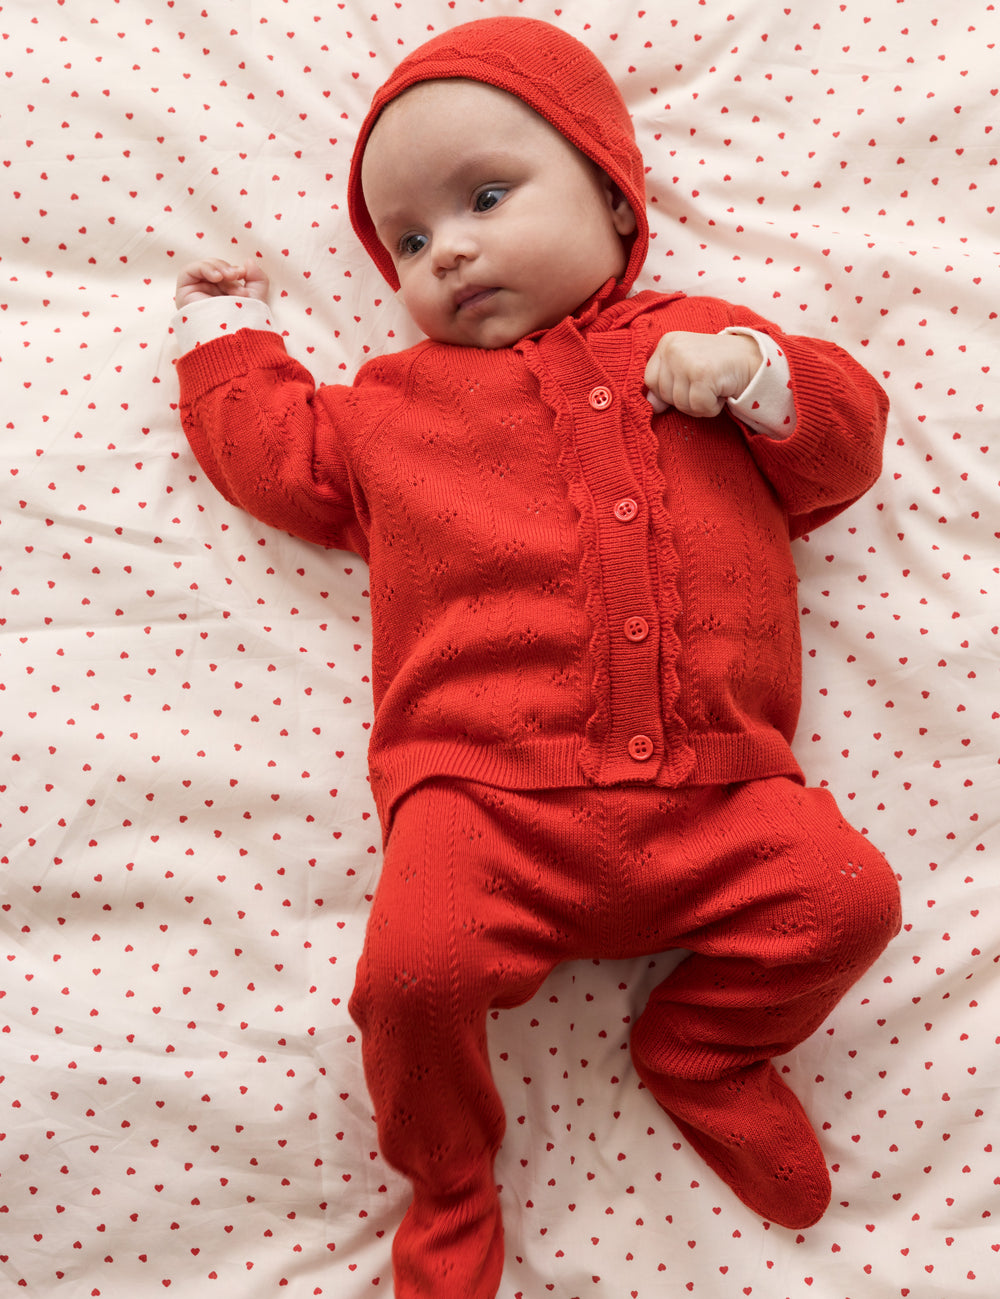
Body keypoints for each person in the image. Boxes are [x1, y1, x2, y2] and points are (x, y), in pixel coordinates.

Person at [170, 16, 902, 1298]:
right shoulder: (396, 403)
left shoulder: (706, 346)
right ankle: (450, 1182)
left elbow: (839, 454)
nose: (445, 248)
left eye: (487, 197)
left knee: (846, 900)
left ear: (618, 204)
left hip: (722, 794)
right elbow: (281, 456)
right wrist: (225, 350)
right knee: (410, 979)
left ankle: (709, 1049)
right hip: (482, 802)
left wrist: (750, 376)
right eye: (404, 240)